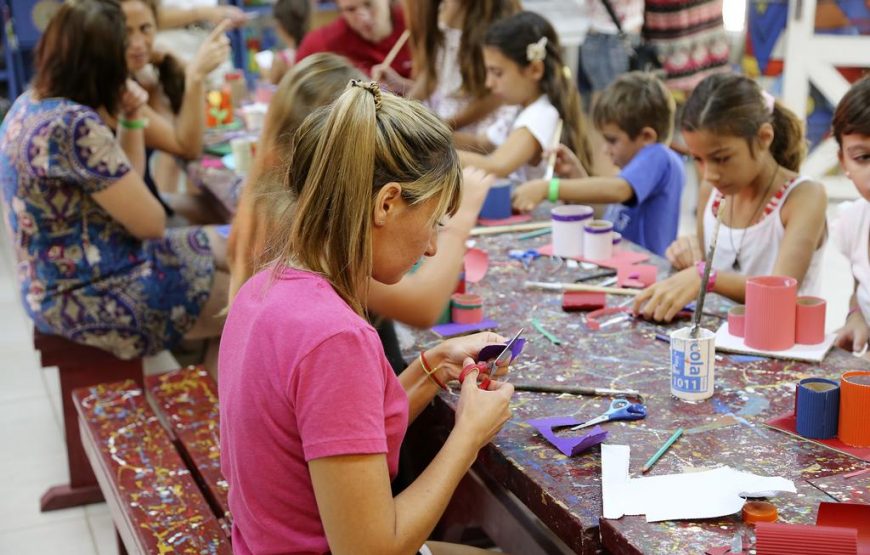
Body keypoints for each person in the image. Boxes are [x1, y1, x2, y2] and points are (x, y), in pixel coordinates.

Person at [219, 81, 514, 555]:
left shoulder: (266, 288)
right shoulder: (334, 337)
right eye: (434, 222)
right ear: (386, 203)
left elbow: (340, 432)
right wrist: (469, 436)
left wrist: (431, 367)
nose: (432, 247)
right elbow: (370, 549)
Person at [0, 0, 228, 366]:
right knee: (247, 301)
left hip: (64, 278)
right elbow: (151, 223)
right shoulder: (73, 125)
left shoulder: (29, 104)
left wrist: (132, 116)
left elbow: (126, 183)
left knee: (226, 247)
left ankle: (205, 368)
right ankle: (213, 388)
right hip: (90, 291)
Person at [633, 73, 827, 322]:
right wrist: (686, 253)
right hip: (722, 334)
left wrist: (705, 277)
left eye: (722, 158)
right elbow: (702, 265)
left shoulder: (804, 197)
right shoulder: (711, 191)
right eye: (698, 159)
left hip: (781, 341)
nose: (709, 174)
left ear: (764, 138)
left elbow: (781, 292)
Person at [511, 72, 683, 256]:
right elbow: (605, 216)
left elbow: (617, 190)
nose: (605, 150)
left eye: (612, 140)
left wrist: (548, 188)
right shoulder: (635, 172)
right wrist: (576, 175)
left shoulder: (659, 156)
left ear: (647, 137)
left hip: (644, 268)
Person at [117, 0, 231, 218]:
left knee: (221, 210)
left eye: (145, 28)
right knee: (234, 220)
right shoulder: (119, 90)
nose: (138, 43)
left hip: (148, 203)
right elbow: (187, 146)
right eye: (126, 32)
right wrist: (196, 75)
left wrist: (171, 62)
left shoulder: (140, 76)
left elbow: (173, 124)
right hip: (136, 221)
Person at [457, 11, 593, 183]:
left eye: (497, 73)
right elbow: (478, 144)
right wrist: (433, 136)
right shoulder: (519, 109)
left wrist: (438, 157)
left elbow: (497, 166)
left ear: (535, 70)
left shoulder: (541, 115)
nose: (488, 83)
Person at [374, 0, 519, 134]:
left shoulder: (499, 16)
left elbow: (495, 98)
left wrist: (442, 126)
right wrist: (401, 111)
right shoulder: (442, 6)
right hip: (444, 118)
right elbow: (433, 74)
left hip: (481, 124)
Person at [830, 77, 870, 355]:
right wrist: (856, 316)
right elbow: (861, 282)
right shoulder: (854, 222)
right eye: (863, 157)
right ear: (843, 161)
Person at [295, 0, 412, 79]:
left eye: (369, 4)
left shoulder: (413, 24)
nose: (364, 18)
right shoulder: (323, 41)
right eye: (350, 9)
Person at [264, 0, 312, 84]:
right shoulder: (314, 51)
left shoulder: (280, 60)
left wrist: (265, 73)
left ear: (280, 24)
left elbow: (271, 84)